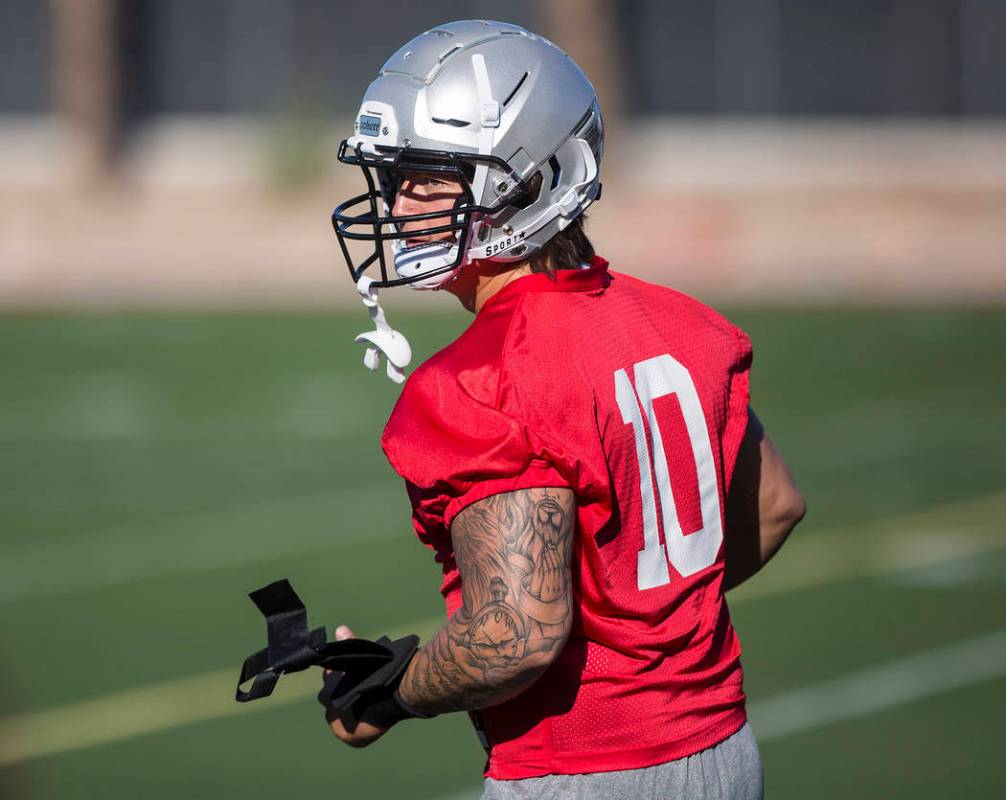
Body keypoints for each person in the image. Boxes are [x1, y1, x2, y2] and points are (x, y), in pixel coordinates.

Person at [325, 19, 805, 800]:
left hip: (580, 773)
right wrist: (641, 625)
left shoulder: (478, 380)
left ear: (528, 182)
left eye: (428, 177)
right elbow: (776, 506)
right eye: (396, 178)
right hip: (723, 752)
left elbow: (513, 639)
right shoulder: (683, 324)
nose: (398, 203)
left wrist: (385, 691)